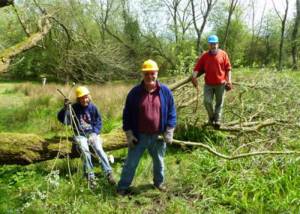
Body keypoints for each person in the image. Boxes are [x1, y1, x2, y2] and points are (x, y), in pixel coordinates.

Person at [116, 59, 177, 196]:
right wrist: (129, 134)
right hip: (139, 136)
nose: (150, 76)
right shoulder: (134, 93)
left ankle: (159, 183)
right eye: (147, 73)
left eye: (152, 73)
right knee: (131, 163)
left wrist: (169, 131)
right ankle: (123, 186)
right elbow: (127, 115)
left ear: (157, 74)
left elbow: (172, 112)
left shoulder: (165, 92)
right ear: (143, 75)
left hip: (158, 136)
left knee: (159, 162)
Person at [57, 86, 116, 188]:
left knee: (98, 149)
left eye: (86, 97)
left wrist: (95, 133)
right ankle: (90, 177)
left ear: (89, 97)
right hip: (80, 135)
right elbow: (63, 120)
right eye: (82, 98)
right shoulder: (74, 108)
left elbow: (98, 122)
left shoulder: (93, 107)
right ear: (78, 99)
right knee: (85, 152)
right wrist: (65, 108)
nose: (84, 100)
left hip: (92, 134)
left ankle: (108, 173)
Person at [191, 35, 232, 129]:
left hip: (221, 84)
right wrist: (193, 77)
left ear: (218, 44)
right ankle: (211, 117)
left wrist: (229, 81)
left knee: (219, 103)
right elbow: (197, 68)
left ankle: (217, 120)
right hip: (208, 84)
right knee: (207, 101)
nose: (213, 46)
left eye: (215, 44)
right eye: (211, 44)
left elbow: (228, 69)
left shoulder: (223, 54)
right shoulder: (204, 56)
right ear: (208, 45)